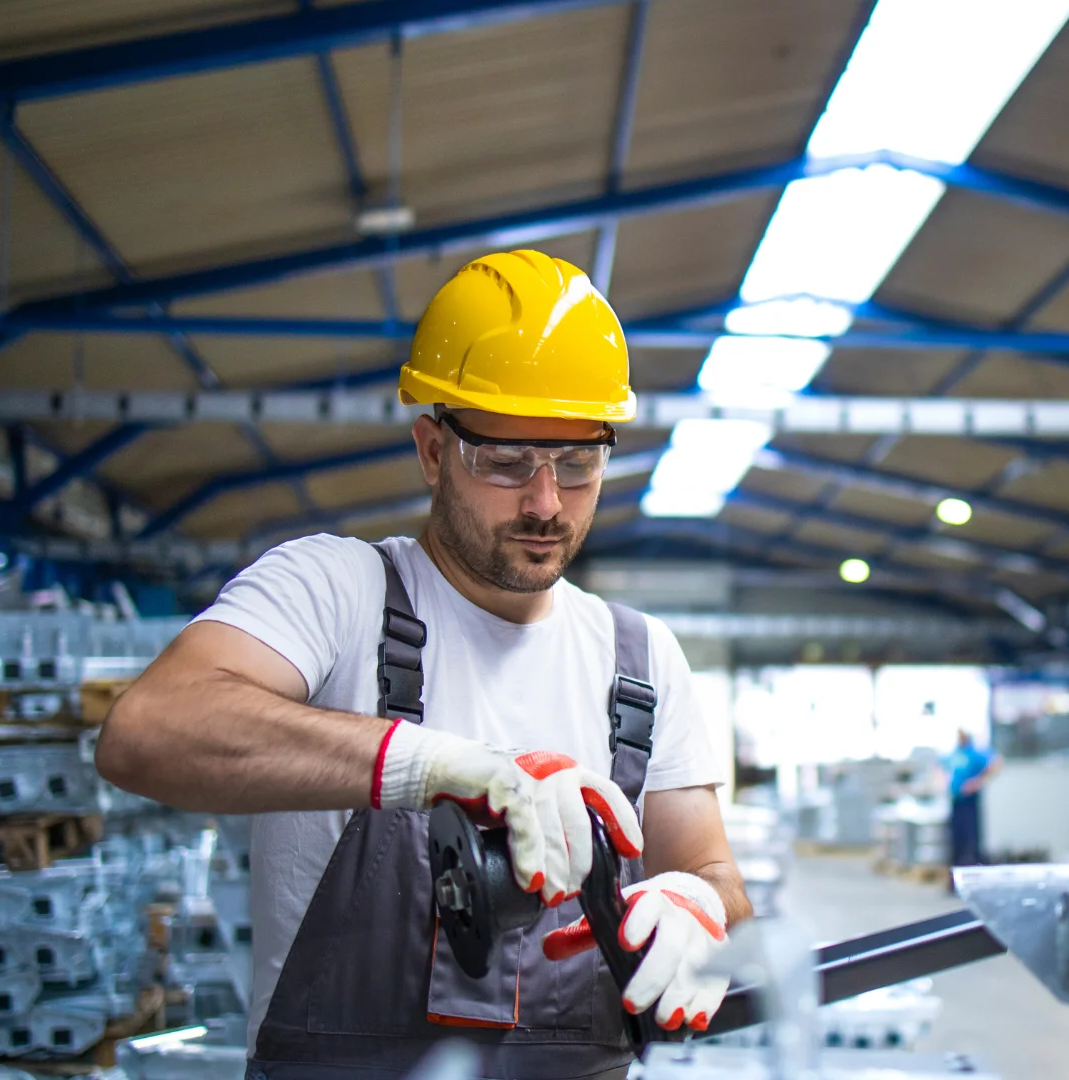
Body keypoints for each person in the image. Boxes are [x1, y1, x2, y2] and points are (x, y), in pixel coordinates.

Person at [96, 250, 748, 1080]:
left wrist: (697, 904)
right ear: (434, 450)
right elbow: (147, 732)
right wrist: (434, 765)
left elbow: (711, 871)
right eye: (507, 462)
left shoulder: (641, 656)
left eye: (577, 464)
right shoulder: (336, 591)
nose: (546, 503)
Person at [943, 730, 1000, 870]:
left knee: (971, 837)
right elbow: (939, 766)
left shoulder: (975, 753)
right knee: (956, 838)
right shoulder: (954, 753)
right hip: (956, 799)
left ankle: (973, 866)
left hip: (970, 801)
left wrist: (978, 782)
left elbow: (996, 763)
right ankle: (956, 869)